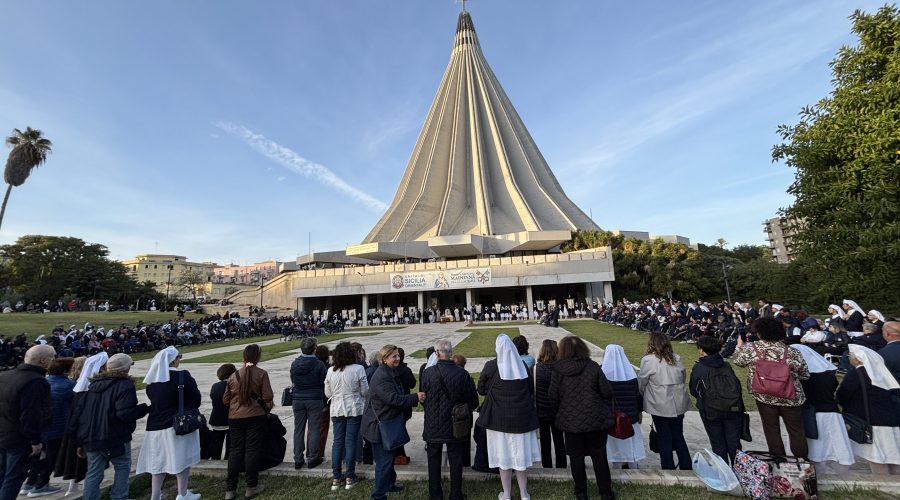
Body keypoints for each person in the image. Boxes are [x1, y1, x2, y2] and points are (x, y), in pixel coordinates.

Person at [71, 353, 149, 500]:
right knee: (122, 465)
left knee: (94, 471)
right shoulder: (124, 385)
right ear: (125, 368)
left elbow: (81, 414)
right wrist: (144, 409)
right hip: (114, 435)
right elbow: (124, 413)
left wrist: (80, 440)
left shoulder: (93, 385)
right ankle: (119, 496)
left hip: (92, 435)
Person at [734, 317, 810, 458]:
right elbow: (805, 375)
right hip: (790, 396)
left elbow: (738, 361)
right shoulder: (792, 352)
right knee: (796, 430)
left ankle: (778, 460)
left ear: (760, 333)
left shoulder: (752, 349)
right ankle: (802, 462)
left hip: (764, 395)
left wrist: (739, 345)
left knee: (771, 429)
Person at [550, 336, 615, 500]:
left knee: (576, 457)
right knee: (599, 456)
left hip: (572, 420)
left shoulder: (559, 370)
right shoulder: (592, 367)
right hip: (594, 418)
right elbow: (606, 391)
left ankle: (581, 492)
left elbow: (553, 397)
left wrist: (562, 411)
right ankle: (605, 492)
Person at [476, 334, 540, 500]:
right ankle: (524, 493)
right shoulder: (522, 366)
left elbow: (481, 389)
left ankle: (507, 493)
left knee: (504, 458)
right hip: (520, 419)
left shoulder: (491, 366)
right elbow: (529, 390)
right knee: (520, 458)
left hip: (498, 420)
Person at [137, 346, 202, 500]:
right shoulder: (182, 376)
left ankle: (155, 495)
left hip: (155, 425)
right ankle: (182, 493)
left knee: (157, 463)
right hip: (177, 424)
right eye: (178, 357)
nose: (179, 360)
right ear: (173, 361)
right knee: (182, 459)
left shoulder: (153, 381)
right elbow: (196, 399)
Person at [361, 345, 423, 500]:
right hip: (379, 425)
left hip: (387, 421)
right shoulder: (381, 376)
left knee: (389, 457)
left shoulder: (389, 371)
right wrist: (416, 397)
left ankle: (389, 484)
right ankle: (378, 495)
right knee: (384, 461)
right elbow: (393, 399)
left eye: (397, 355)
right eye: (393, 356)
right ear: (384, 359)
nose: (397, 359)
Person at [420, 339, 478, 500]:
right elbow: (470, 399)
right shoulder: (462, 373)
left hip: (433, 422)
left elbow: (422, 397)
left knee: (433, 460)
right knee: (456, 459)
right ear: (450, 353)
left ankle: (435, 494)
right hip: (455, 422)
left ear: (437, 353)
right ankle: (455, 493)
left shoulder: (427, 372)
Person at [0, 344, 55, 500]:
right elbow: (31, 414)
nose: (54, 360)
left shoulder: (5, 375)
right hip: (20, 436)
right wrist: (35, 440)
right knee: (14, 477)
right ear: (44, 361)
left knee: (3, 474)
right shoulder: (36, 381)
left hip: (4, 432)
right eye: (53, 357)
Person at [790, 344, 854, 474]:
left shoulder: (802, 375)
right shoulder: (827, 372)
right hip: (832, 413)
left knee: (816, 451)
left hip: (812, 415)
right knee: (837, 448)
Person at [836, 345, 900, 474]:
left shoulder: (857, 373)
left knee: (877, 457)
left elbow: (843, 395)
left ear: (857, 359)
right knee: (894, 456)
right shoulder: (882, 372)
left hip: (870, 420)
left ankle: (882, 485)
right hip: (891, 419)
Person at [223, 345, 274, 500]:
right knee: (251, 451)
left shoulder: (234, 375)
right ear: (257, 357)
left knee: (235, 451)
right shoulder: (261, 374)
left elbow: (226, 400)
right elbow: (267, 397)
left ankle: (230, 490)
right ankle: (251, 486)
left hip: (235, 417)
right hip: (254, 416)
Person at [638, 332, 692, 470]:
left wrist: (642, 394)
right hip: (676, 401)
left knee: (665, 436)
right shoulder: (676, 358)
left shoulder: (649, 360)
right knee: (677, 434)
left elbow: (642, 381)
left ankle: (668, 466)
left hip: (660, 402)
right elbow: (682, 376)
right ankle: (686, 465)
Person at [23, 357, 75, 497]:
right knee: (49, 458)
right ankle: (41, 485)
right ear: (66, 370)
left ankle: (30, 482)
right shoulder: (68, 385)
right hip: (57, 427)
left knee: (38, 456)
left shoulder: (43, 382)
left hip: (39, 427)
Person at [689, 336, 744, 464]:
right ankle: (740, 471)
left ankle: (724, 472)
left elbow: (694, 389)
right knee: (734, 442)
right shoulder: (725, 365)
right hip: (732, 407)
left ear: (702, 350)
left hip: (711, 409)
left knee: (718, 442)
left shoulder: (699, 367)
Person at [324, 342, 368, 491]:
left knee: (338, 442)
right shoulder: (358, 369)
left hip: (337, 409)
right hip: (353, 408)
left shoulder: (331, 371)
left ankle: (336, 477)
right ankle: (349, 475)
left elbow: (328, 393)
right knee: (350, 441)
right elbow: (365, 391)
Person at [55, 355, 99, 497]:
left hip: (72, 427)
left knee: (75, 458)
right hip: (81, 428)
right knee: (85, 462)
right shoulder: (79, 386)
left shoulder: (74, 383)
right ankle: (87, 491)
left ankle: (73, 487)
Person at [602, 344, 645, 469]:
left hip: (612, 416)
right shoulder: (630, 373)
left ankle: (617, 465)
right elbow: (637, 395)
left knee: (615, 444)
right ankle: (633, 465)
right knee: (631, 443)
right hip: (630, 415)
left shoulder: (602, 373)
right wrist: (639, 411)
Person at [289, 337, 326, 469]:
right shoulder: (319, 364)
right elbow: (323, 382)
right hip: (314, 398)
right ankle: (312, 458)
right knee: (314, 429)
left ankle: (298, 459)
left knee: (298, 429)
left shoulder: (295, 363)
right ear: (314, 349)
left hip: (298, 398)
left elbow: (293, 379)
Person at [534, 339, 566, 468]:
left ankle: (547, 465)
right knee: (559, 440)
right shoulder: (561, 367)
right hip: (557, 410)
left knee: (545, 440)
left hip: (542, 410)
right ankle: (561, 465)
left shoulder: (537, 368)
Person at [207, 364, 236, 460]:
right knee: (231, 444)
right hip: (229, 420)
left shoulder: (215, 386)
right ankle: (228, 461)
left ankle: (215, 461)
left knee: (216, 444)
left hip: (216, 419)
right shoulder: (233, 386)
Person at [393, 347, 417, 465]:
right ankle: (399, 455)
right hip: (403, 403)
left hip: (395, 404)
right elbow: (413, 384)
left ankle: (398, 454)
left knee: (397, 429)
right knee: (400, 430)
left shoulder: (392, 370)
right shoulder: (405, 370)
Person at [314, 345, 332, 461]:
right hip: (323, 401)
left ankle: (311, 453)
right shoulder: (326, 368)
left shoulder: (313, 365)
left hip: (312, 401)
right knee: (322, 429)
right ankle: (319, 454)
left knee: (312, 428)